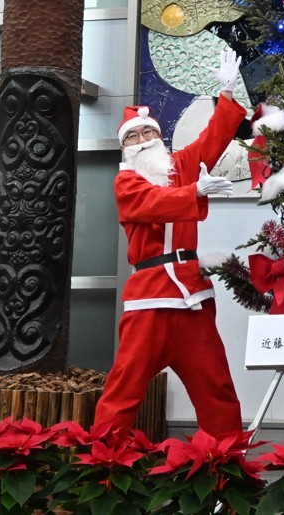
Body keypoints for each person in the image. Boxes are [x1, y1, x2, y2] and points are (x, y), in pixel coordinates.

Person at [93, 52, 247, 437]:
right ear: (124, 148)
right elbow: (153, 203)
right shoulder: (126, 183)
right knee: (124, 388)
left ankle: (226, 464)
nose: (142, 141)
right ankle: (105, 462)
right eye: (133, 137)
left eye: (148, 133)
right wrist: (195, 191)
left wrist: (227, 93)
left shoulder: (178, 167)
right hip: (149, 300)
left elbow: (212, 141)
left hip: (191, 296)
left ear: (158, 137)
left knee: (216, 388)